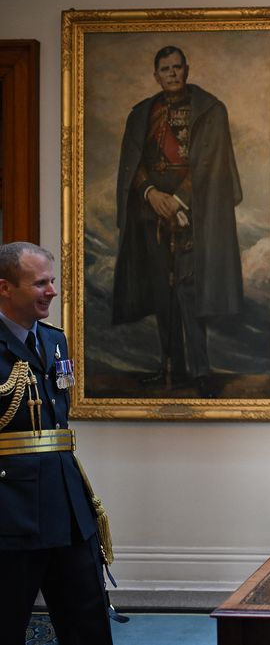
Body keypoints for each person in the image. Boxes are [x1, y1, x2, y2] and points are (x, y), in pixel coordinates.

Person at [112, 45, 245, 397]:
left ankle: (200, 371)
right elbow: (133, 163)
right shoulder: (143, 113)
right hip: (151, 211)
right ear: (156, 75)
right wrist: (153, 195)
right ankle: (169, 368)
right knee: (161, 291)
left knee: (191, 290)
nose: (172, 74)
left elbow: (208, 163)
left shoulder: (210, 110)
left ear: (187, 69)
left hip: (196, 211)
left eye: (177, 67)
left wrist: (179, 200)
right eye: (165, 69)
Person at [0, 242, 113, 645]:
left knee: (88, 620)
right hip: (11, 510)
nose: (51, 291)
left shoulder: (53, 340)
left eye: (52, 281)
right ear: (5, 288)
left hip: (67, 503)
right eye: (40, 283)